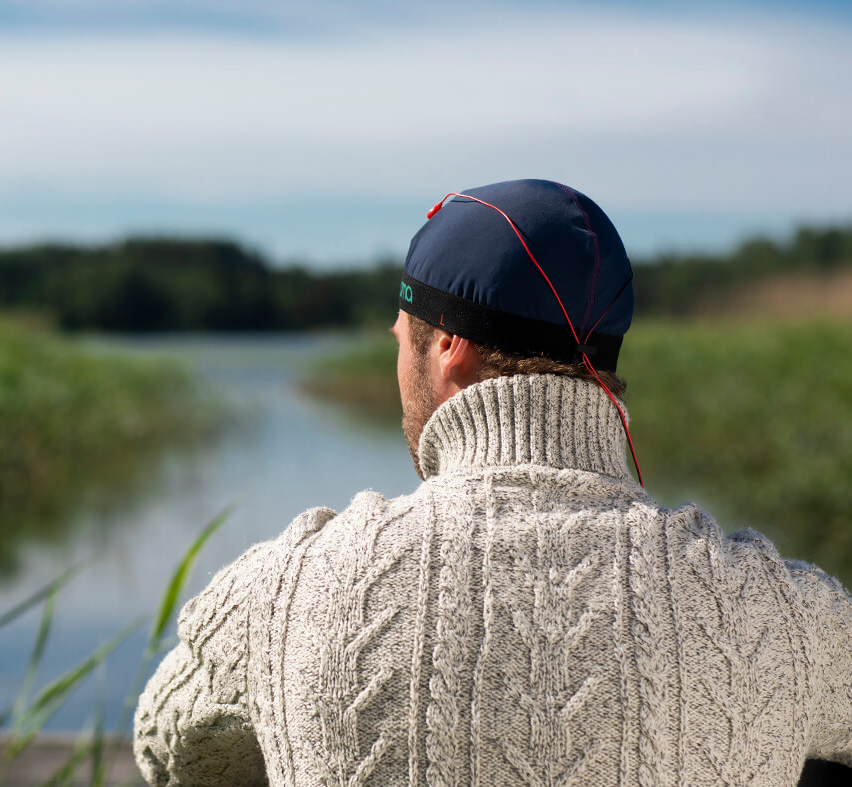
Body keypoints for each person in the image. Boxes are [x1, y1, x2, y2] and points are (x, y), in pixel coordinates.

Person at [133, 179, 852, 786]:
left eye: (398, 340)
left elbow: (165, 748)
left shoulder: (285, 590)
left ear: (447, 345)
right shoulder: (786, 615)